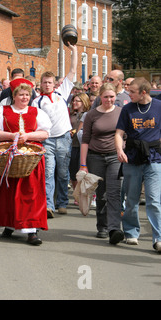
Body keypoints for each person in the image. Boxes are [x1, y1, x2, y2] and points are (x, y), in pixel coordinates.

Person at [0, 80, 51, 245]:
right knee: (8, 192)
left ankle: (31, 230)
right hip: (7, 156)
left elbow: (45, 133)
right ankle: (10, 224)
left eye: (27, 94)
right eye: (21, 94)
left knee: (31, 193)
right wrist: (12, 136)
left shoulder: (36, 112)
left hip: (30, 158)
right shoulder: (2, 111)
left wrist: (28, 136)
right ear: (14, 96)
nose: (25, 97)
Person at [32, 42, 78, 218]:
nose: (48, 84)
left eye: (50, 82)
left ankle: (62, 203)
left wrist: (73, 50)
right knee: (48, 172)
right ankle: (49, 205)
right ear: (41, 84)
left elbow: (72, 71)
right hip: (48, 141)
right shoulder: (37, 101)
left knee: (63, 172)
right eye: (44, 82)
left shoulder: (62, 92)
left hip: (64, 138)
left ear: (54, 83)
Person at [115, 77, 161, 253]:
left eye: (132, 91)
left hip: (154, 158)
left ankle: (158, 238)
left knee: (154, 201)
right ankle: (131, 231)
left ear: (143, 92)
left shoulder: (158, 107)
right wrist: (119, 150)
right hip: (132, 158)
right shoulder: (127, 109)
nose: (128, 94)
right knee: (131, 199)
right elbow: (119, 133)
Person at [80, 83, 123, 242]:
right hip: (95, 156)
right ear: (100, 96)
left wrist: (122, 150)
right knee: (101, 193)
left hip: (115, 157)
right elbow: (85, 140)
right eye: (106, 97)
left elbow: (125, 136)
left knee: (114, 192)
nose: (109, 100)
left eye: (112, 97)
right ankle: (102, 226)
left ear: (115, 96)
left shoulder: (121, 113)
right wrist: (83, 164)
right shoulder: (91, 115)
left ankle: (114, 228)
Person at [69, 93, 91, 194]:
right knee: (73, 171)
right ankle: (76, 193)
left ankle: (83, 193)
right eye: (73, 101)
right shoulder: (71, 114)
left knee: (82, 171)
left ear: (84, 102)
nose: (74, 103)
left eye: (77, 101)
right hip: (72, 145)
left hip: (83, 145)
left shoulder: (88, 115)